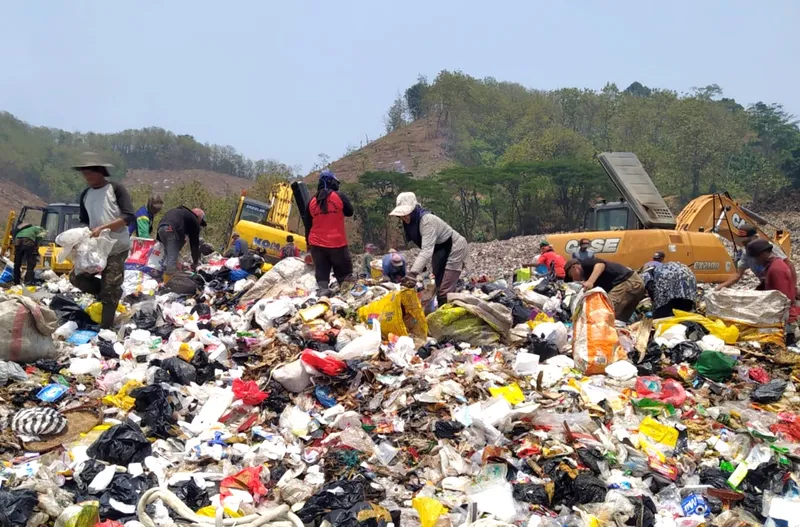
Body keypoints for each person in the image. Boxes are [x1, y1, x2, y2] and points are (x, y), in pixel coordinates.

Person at [70, 153, 135, 329]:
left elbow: (128, 216)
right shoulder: (86, 194)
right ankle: (111, 293)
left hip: (116, 246)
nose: (86, 177)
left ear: (100, 172)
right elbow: (84, 220)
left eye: (89, 172)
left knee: (110, 285)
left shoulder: (115, 189)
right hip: (95, 247)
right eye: (84, 173)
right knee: (77, 278)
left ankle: (106, 328)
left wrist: (103, 228)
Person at [389, 192, 468, 306]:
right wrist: (422, 265)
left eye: (407, 213)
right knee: (438, 279)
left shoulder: (427, 221)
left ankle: (446, 314)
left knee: (444, 289)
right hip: (439, 248)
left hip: (456, 247)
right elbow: (423, 244)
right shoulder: (409, 223)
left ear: (414, 209)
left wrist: (413, 273)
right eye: (401, 214)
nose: (404, 216)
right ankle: (445, 304)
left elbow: (426, 250)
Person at [303, 170, 354, 294]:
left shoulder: (311, 202)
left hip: (316, 245)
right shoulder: (339, 196)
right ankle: (347, 297)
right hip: (337, 244)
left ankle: (323, 296)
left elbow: (308, 226)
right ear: (331, 182)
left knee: (322, 274)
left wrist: (308, 245)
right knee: (344, 274)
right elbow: (350, 212)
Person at [717, 224, 796, 292]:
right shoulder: (746, 252)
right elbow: (738, 274)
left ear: (755, 237)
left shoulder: (768, 248)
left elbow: (789, 265)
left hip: (781, 284)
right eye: (742, 241)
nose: (744, 243)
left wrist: (793, 287)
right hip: (766, 284)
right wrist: (720, 287)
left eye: (746, 241)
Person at [746, 239, 800, 338]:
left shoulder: (776, 269)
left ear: (762, 254)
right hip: (782, 317)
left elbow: (783, 299)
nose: (755, 261)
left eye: (755, 258)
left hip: (785, 321)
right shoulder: (774, 265)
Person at [565, 257, 646, 322]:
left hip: (626, 283)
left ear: (574, 268)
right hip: (634, 285)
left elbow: (600, 264)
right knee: (619, 320)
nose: (574, 279)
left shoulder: (585, 264)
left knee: (604, 313)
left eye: (571, 276)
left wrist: (590, 281)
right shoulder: (590, 276)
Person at [157, 207, 206, 276]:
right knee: (172, 261)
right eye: (201, 222)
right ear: (199, 217)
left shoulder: (181, 214)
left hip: (161, 228)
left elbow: (177, 246)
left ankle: (160, 273)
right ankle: (169, 282)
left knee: (166, 254)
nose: (200, 225)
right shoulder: (194, 220)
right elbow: (194, 244)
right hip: (171, 230)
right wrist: (195, 262)